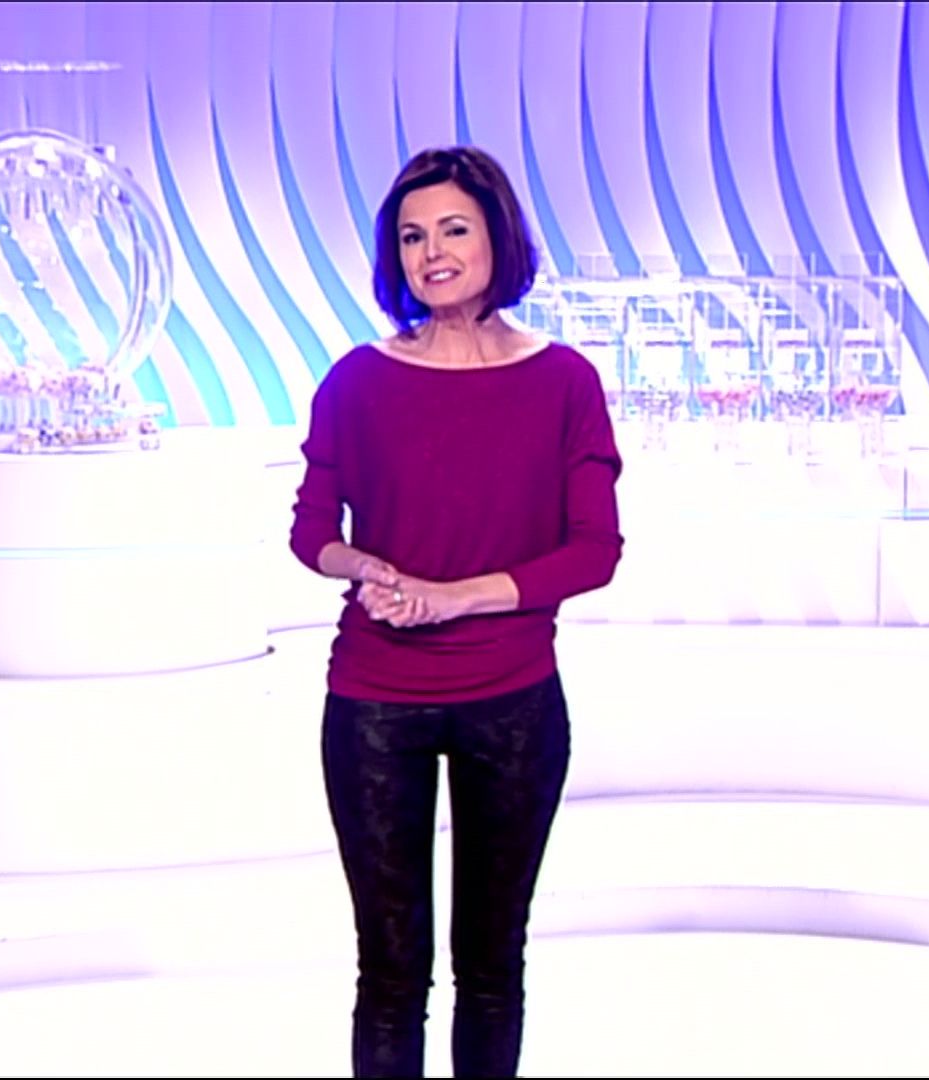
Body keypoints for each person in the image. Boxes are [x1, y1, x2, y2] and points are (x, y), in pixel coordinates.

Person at [288, 145, 625, 1078]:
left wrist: (453, 598)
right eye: (411, 237)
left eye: (452, 230)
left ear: (496, 238)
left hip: (512, 700)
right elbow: (311, 531)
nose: (430, 253)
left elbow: (594, 551)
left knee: (491, 967)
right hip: (375, 702)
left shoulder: (564, 382)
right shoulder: (356, 381)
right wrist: (363, 565)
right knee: (391, 974)